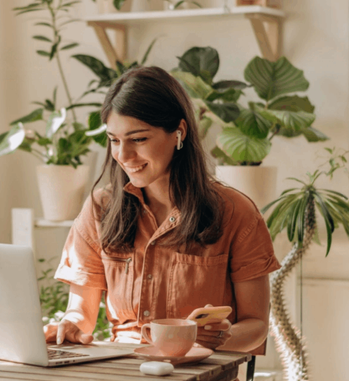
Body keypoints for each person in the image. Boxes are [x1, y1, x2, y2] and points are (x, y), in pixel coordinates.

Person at [43, 66, 281, 355]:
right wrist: (70, 326)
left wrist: (220, 338)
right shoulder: (100, 208)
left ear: (179, 132)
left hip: (201, 371)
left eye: (139, 139)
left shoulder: (235, 212)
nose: (123, 155)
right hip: (125, 370)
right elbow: (81, 313)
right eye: (115, 140)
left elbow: (256, 325)